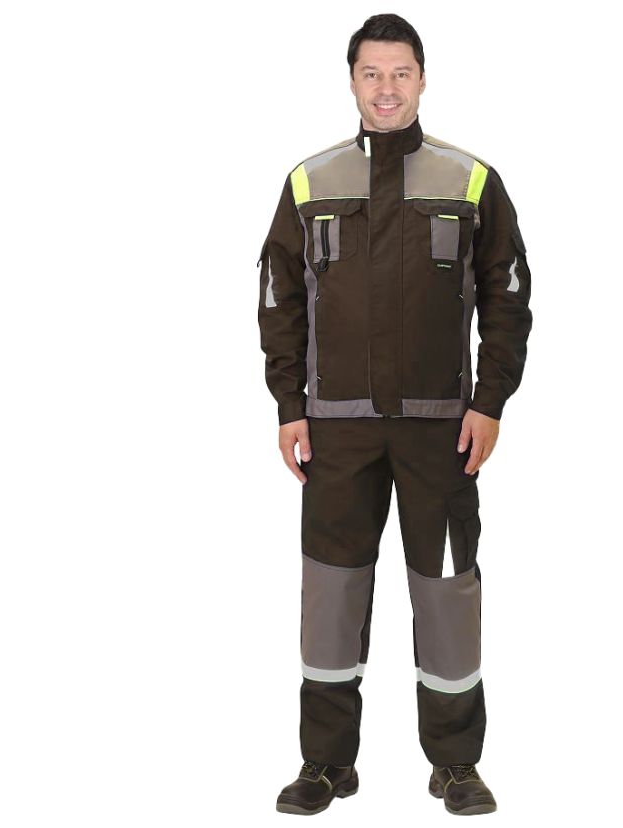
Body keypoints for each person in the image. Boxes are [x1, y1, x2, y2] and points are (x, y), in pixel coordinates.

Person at [257, 13, 533, 816]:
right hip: (335, 432)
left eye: (400, 73)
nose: (386, 88)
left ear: (422, 78)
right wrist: (289, 406)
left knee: (446, 590)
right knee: (331, 595)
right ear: (352, 81)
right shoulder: (310, 182)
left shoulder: (470, 180)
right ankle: (325, 763)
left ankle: (455, 764)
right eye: (371, 73)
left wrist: (489, 402)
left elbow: (508, 296)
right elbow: (279, 299)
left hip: (441, 432)